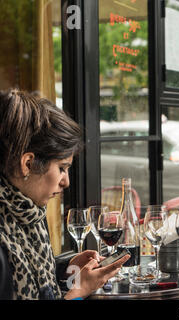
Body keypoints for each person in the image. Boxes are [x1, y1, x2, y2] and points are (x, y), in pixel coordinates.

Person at [0, 89, 129, 300]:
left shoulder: (27, 213)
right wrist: (79, 292)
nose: (66, 181)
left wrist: (68, 268)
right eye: (62, 168)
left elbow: (38, 282)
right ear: (28, 163)